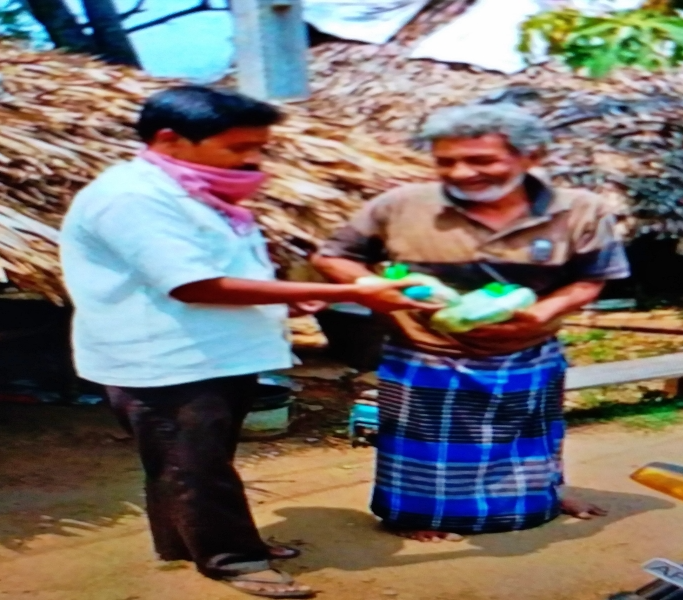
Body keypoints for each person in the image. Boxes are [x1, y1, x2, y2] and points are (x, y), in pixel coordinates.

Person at [59, 85, 435, 598]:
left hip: (212, 352)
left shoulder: (195, 192)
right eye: (238, 148)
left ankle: (185, 542)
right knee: (192, 462)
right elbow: (191, 284)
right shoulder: (132, 197)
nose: (253, 159)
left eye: (259, 148)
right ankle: (232, 559)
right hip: (167, 357)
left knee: (192, 457)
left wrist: (286, 299)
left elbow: (225, 271)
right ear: (171, 140)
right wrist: (347, 290)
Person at [312, 104, 630, 542]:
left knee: (531, 436)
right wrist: (372, 286)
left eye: (481, 160)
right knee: (421, 446)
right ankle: (414, 514)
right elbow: (333, 256)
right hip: (426, 352)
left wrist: (537, 314)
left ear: (530, 157)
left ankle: (543, 497)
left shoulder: (580, 209)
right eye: (446, 161)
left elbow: (591, 278)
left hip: (529, 350)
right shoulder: (400, 205)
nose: (461, 173)